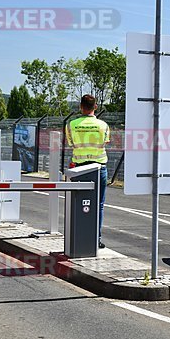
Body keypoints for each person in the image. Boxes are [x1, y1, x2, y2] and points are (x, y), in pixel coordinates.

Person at [65, 94, 110, 248]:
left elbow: (71, 143)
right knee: (99, 204)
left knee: (78, 202)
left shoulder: (71, 124)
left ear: (80, 107)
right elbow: (105, 142)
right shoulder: (103, 125)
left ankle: (78, 237)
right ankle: (95, 239)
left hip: (80, 168)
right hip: (99, 167)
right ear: (95, 107)